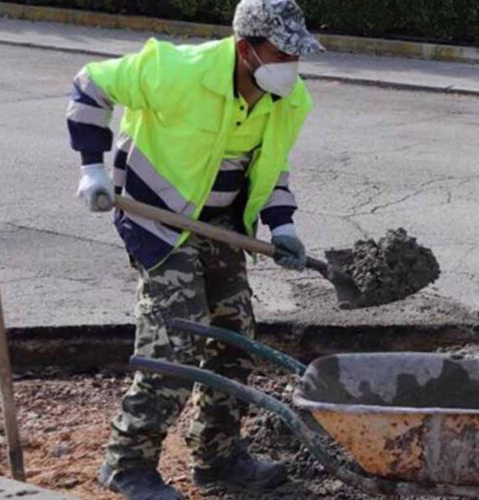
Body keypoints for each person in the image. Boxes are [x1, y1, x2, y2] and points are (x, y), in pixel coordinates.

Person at [66, 0, 323, 497]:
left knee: (235, 336)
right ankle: (128, 464)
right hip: (157, 218)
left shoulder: (289, 101)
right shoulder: (175, 71)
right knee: (177, 335)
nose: (292, 65)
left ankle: (217, 458)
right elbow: (90, 84)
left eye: (297, 55)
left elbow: (271, 168)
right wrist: (92, 168)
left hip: (220, 221)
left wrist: (283, 227)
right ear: (246, 48)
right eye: (283, 53)